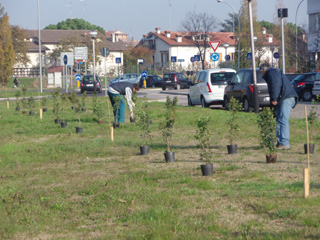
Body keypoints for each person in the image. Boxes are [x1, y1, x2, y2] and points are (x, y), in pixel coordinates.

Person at [259, 62, 298, 150]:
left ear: (264, 70)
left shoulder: (272, 72)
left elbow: (275, 85)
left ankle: (284, 143)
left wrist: (274, 98)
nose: (261, 74)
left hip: (286, 98)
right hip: (284, 97)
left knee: (283, 120)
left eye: (261, 71)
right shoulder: (273, 72)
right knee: (279, 119)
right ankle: (280, 142)